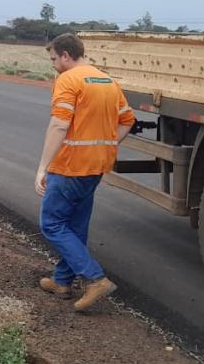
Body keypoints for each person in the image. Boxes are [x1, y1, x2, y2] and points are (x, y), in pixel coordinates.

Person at [35, 33, 136, 310]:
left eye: (54, 59)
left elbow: (59, 125)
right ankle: (62, 281)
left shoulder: (68, 79)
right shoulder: (106, 80)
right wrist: (107, 144)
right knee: (76, 226)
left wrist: (43, 166)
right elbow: (127, 119)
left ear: (66, 55)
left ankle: (95, 278)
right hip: (96, 166)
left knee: (52, 224)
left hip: (69, 166)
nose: (54, 64)